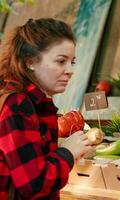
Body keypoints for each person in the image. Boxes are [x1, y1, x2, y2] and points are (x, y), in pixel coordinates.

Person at [0, 18, 93, 199]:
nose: (70, 70)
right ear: (30, 62)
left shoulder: (31, 102)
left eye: (72, 62)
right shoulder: (17, 105)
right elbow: (34, 184)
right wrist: (67, 152)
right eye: (61, 61)